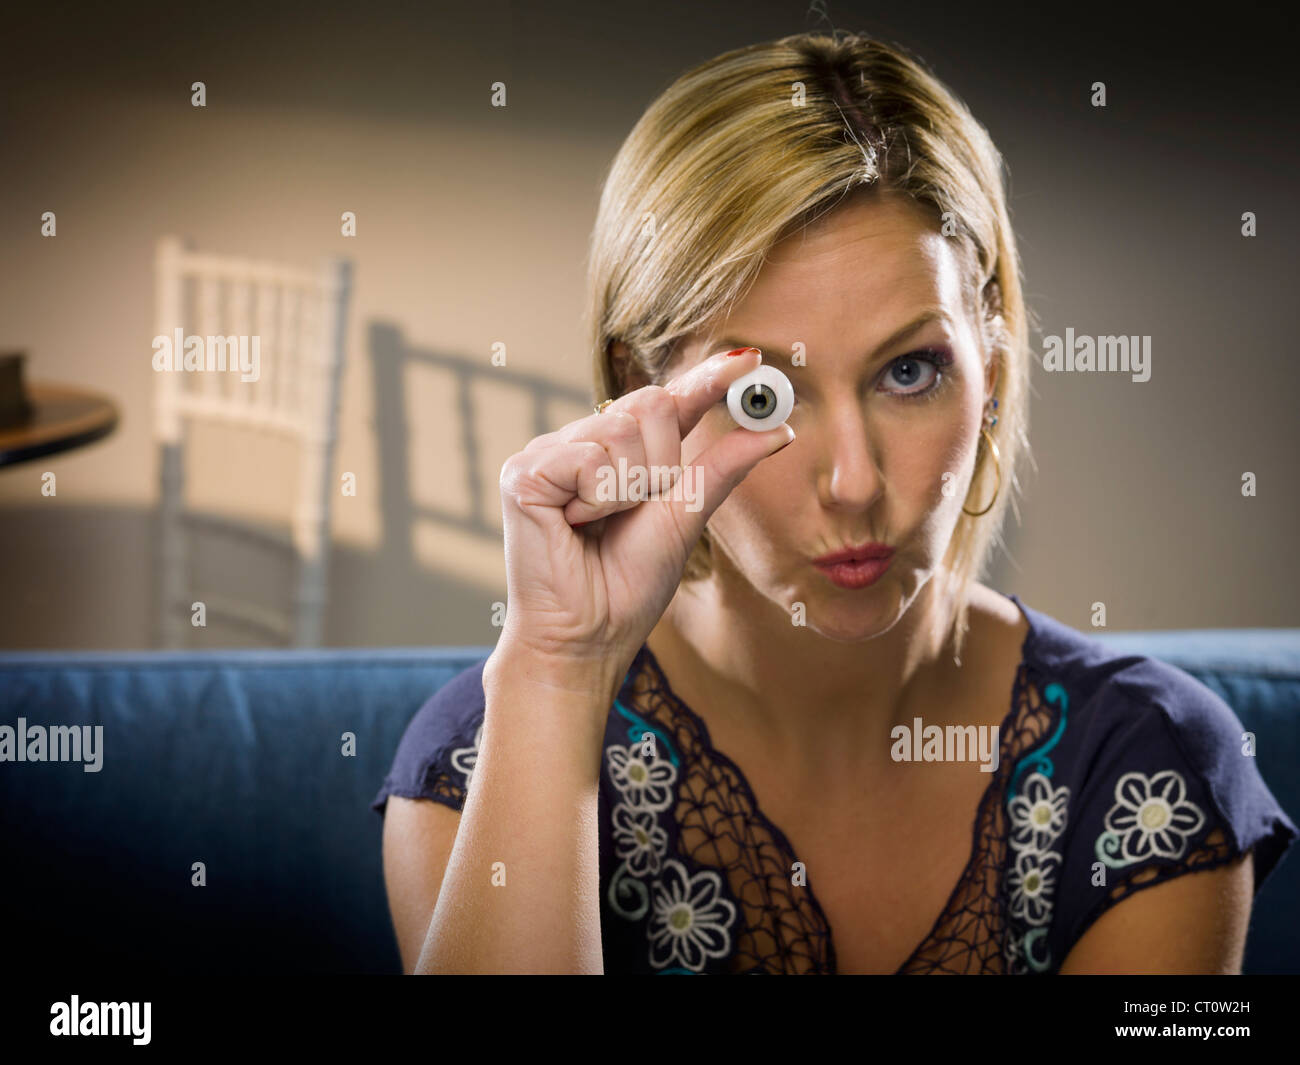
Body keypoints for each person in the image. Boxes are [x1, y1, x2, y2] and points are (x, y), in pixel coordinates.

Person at [371, 31, 1296, 974]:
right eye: (761, 393)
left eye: (908, 370)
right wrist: (556, 675)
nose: (853, 481)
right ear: (639, 386)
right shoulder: (481, 764)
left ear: (993, 354)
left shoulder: (1149, 767)